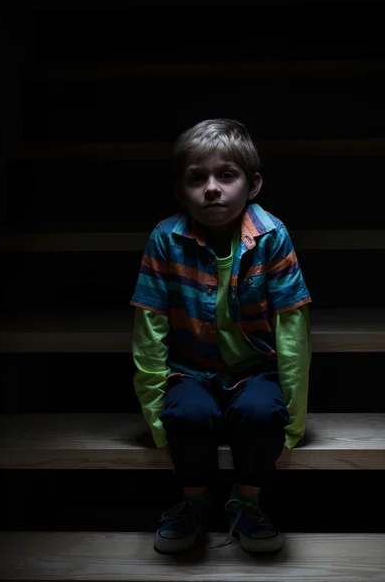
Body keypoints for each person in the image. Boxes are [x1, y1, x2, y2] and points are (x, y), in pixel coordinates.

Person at [130, 118, 312, 555]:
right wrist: (156, 414)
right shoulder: (165, 238)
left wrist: (296, 417)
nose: (212, 188)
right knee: (187, 416)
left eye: (226, 176)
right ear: (181, 191)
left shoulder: (272, 235)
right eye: (197, 178)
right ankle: (193, 503)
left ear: (252, 185)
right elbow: (149, 326)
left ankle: (246, 501)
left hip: (255, 369)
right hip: (191, 370)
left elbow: (292, 327)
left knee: (262, 414)